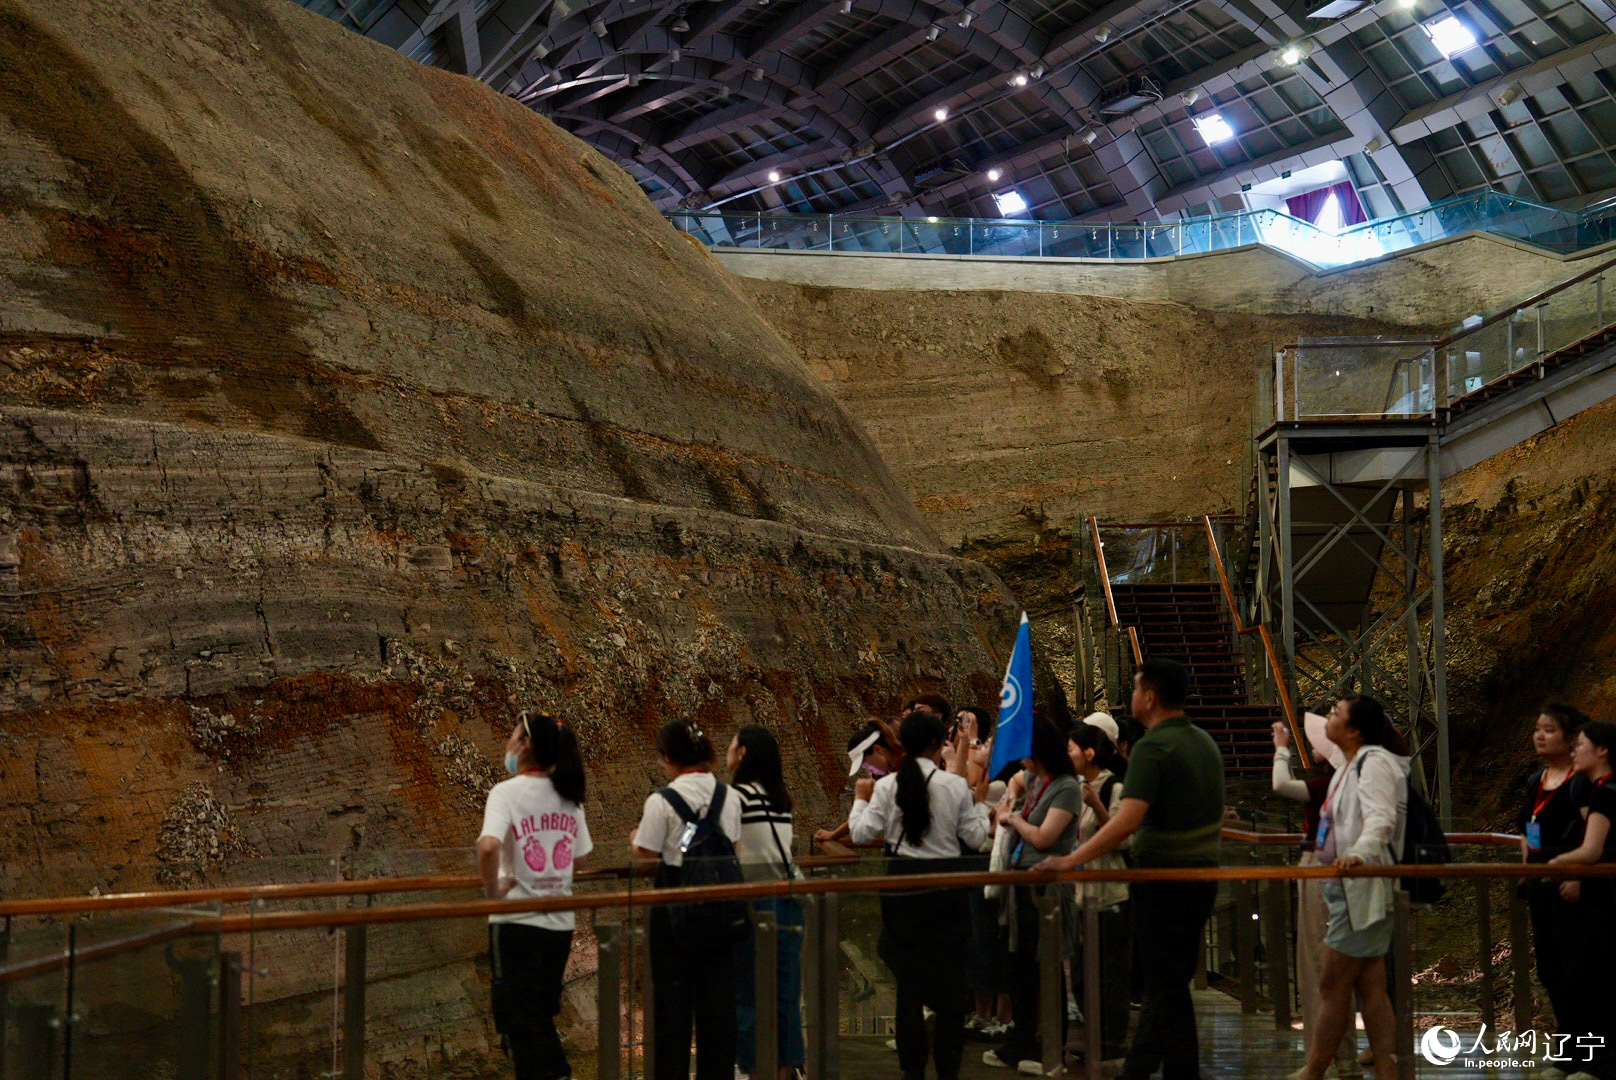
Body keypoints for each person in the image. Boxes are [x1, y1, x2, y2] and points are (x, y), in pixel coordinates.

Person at [1043, 659, 1224, 1080]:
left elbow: (1128, 821)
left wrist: (1071, 859)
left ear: (1151, 697)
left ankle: (1154, 1070)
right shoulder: (1203, 742)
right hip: (1202, 876)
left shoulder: (1153, 747)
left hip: (1161, 876)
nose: (1133, 697)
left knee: (1167, 982)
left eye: (1137, 688)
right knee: (1170, 980)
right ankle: (1155, 1068)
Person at [849, 710, 991, 1080]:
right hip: (946, 887)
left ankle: (912, 1070)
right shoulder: (954, 786)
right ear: (934, 744)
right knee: (950, 985)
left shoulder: (886, 786)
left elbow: (863, 834)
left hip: (902, 887)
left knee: (908, 986)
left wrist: (860, 799)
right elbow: (975, 839)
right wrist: (981, 804)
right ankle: (948, 1069)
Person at [1290, 695, 1409, 1080]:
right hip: (1346, 887)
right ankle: (1386, 1064)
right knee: (1370, 982)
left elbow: (1380, 820)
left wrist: (1357, 854)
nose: (1329, 717)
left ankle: (1315, 1067)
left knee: (1332, 981)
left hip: (1360, 886)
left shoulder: (1373, 765)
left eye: (1336, 713)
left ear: (1354, 729)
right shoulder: (1351, 767)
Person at [478, 712, 593, 1080]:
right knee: (538, 1015)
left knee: (518, 1020)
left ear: (525, 745)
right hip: (559, 924)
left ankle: (559, 1074)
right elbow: (581, 856)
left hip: (515, 921)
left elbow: (488, 846)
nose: (508, 744)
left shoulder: (505, 793)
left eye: (512, 736)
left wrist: (493, 893)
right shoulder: (569, 797)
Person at [631, 720, 744, 1080]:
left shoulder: (661, 801)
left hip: (673, 912)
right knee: (718, 1008)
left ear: (667, 757)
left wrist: (635, 839)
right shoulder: (730, 798)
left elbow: (647, 858)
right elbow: (735, 852)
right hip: (722, 909)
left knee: (671, 1011)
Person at [984, 715, 1081, 1073]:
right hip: (1023, 884)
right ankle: (1022, 1040)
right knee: (1022, 967)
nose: (1020, 760)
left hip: (1048, 889)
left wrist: (1013, 820)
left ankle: (1052, 1047)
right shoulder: (1037, 780)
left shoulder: (1067, 786)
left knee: (1047, 967)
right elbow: (1013, 780)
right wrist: (1011, 799)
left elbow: (1044, 836)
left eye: (1025, 752)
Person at [1271, 716, 1359, 1079]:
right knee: (1335, 969)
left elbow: (1281, 786)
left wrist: (1280, 749)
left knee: (1317, 964)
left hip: (1322, 869)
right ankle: (1342, 1059)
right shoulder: (1346, 780)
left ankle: (1323, 1059)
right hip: (1332, 870)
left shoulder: (1332, 784)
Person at [727, 726, 805, 1080]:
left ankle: (753, 1069)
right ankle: (784, 1071)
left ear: (742, 753)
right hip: (788, 900)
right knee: (785, 994)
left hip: (753, 903)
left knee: (749, 993)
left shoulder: (736, 797)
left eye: (732, 746)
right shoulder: (781, 799)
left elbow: (724, 848)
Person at [1517, 704, 1590, 1044]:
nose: (1539, 736)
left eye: (1549, 730)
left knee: (1580, 970)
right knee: (1550, 969)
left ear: (1572, 737)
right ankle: (1568, 1048)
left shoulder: (1584, 782)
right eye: (1537, 729)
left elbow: (1595, 834)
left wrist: (1578, 875)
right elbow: (1528, 828)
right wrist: (1526, 868)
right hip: (1540, 884)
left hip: (1575, 886)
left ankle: (1592, 1052)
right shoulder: (1536, 780)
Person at [1549, 718, 1616, 1080]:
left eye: (1582, 743)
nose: (1575, 749)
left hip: (1603, 898)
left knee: (1589, 978)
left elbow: (1591, 850)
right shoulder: (1599, 789)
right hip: (1602, 895)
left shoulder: (1603, 792)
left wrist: (1557, 862)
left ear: (1603, 750)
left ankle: (1597, 1064)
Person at [1067, 720, 1131, 1064]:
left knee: (1110, 971)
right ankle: (1095, 1033)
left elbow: (1125, 838)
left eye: (1072, 748)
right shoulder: (1076, 788)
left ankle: (1112, 1040)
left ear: (1089, 753)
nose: (1068, 754)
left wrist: (1098, 805)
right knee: (1080, 971)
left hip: (1109, 893)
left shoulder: (1113, 789)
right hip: (1080, 893)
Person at [815, 721, 898, 846]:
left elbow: (860, 836)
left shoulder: (898, 775)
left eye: (866, 763)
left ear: (878, 749)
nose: (868, 769)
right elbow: (871, 809)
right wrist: (835, 834)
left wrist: (861, 798)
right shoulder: (888, 774)